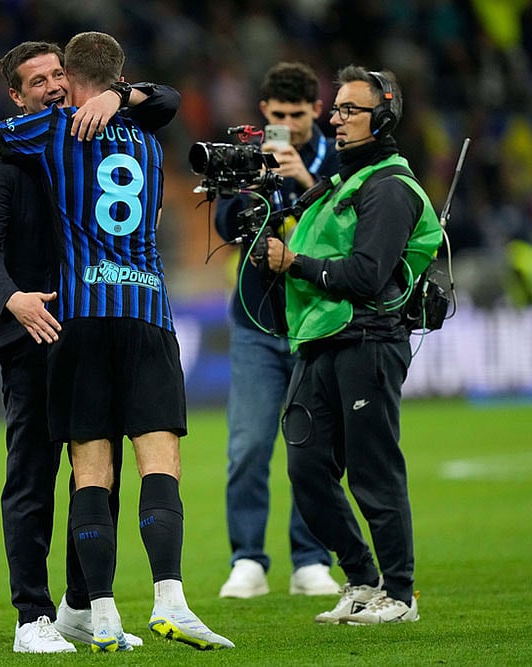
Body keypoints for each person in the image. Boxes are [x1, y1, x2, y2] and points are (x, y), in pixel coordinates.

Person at [0, 31, 233, 652]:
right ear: (19, 95)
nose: (50, 88)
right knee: (40, 475)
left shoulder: (58, 131)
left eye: (57, 77)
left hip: (83, 318)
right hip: (46, 324)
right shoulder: (135, 140)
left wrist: (119, 97)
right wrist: (11, 297)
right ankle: (34, 616)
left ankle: (86, 608)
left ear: (72, 81)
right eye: (37, 82)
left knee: (91, 472)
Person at [263, 66, 442, 625]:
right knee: (307, 469)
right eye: (335, 110)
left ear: (382, 117)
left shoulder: (389, 187)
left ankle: (401, 593)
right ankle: (362, 578)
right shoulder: (343, 183)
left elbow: (366, 275)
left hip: (369, 338)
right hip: (322, 340)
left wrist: (295, 262)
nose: (335, 121)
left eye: (349, 111)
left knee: (373, 471)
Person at [214, 62, 341, 599]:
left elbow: (348, 226)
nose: (286, 124)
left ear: (315, 109)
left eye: (297, 114)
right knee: (247, 447)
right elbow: (224, 227)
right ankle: (247, 559)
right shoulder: (248, 154)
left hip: (316, 323)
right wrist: (252, 187)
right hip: (257, 323)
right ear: (264, 110)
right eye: (277, 114)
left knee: (314, 449)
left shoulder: (337, 159)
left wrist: (305, 183)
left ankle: (310, 559)